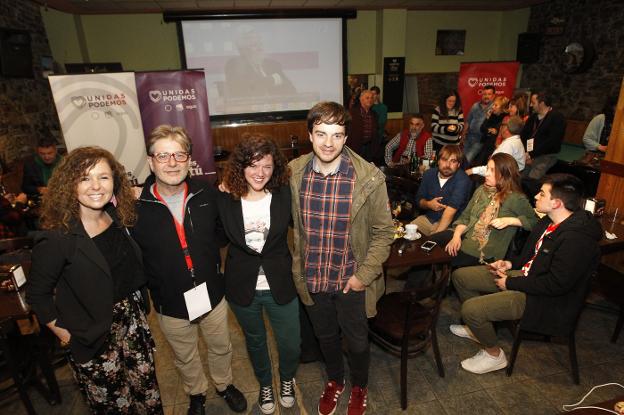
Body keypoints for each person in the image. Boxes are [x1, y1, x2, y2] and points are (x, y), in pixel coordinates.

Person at [27, 147, 162, 414]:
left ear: (114, 181)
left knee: (148, 397)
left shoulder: (116, 218)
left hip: (132, 325)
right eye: (85, 178)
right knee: (115, 407)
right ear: (69, 184)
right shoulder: (58, 237)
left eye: (103, 177)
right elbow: (38, 295)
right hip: (92, 335)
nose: (95, 186)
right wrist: (65, 334)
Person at [131, 125, 247, 415]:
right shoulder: (134, 206)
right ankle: (196, 393)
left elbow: (222, 234)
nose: (172, 162)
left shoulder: (207, 194)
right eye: (163, 155)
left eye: (179, 154)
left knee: (221, 346)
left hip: (211, 293)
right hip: (169, 301)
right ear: (150, 161)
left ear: (189, 159)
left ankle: (224, 384)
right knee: (184, 356)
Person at [289, 101, 394, 415]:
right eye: (321, 133)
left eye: (336, 135)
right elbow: (257, 187)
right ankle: (335, 380)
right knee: (326, 339)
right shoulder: (294, 173)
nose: (328, 143)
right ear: (309, 135)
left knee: (358, 343)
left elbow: (384, 232)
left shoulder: (368, 178)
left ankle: (359, 385)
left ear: (347, 137)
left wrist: (363, 275)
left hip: (350, 280)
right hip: (312, 279)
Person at [450, 174, 601, 374]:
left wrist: (511, 283)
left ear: (556, 203)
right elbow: (529, 257)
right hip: (527, 277)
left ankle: (493, 354)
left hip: (543, 298)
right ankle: (479, 329)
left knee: (471, 309)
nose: (536, 197)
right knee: (461, 277)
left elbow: (555, 284)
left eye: (541, 193)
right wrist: (508, 263)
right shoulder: (548, 221)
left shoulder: (576, 239)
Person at [217, 135, 299, 414]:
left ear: (274, 167)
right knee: (255, 342)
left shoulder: (284, 193)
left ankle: (287, 379)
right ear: (240, 167)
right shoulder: (225, 198)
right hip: (243, 288)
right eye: (253, 165)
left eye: (266, 166)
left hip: (281, 283)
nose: (260, 173)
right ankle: (265, 383)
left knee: (290, 342)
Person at [445, 153, 537, 267]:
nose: (486, 173)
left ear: (505, 175)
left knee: (442, 259)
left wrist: (512, 221)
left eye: (492, 170)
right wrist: (456, 236)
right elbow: (465, 217)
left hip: (482, 250)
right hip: (464, 234)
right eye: (487, 168)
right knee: (431, 243)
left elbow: (535, 222)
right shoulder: (481, 189)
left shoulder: (515, 198)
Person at [413, 145, 471, 236]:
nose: (447, 165)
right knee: (406, 233)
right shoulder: (429, 174)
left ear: (458, 165)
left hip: (450, 226)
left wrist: (434, 237)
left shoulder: (463, 180)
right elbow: (418, 200)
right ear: (438, 161)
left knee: (432, 245)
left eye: (453, 161)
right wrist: (428, 204)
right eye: (444, 160)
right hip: (428, 219)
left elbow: (451, 211)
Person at [224, 28, 296, 99]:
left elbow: (291, 90)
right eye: (254, 45)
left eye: (260, 44)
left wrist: (261, 83)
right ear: (243, 50)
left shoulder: (272, 64)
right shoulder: (234, 65)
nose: (260, 48)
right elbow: (242, 91)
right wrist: (273, 80)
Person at [520, 92, 566, 183]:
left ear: (542, 103)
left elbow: (552, 141)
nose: (530, 105)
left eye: (533, 103)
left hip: (545, 157)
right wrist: (526, 153)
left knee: (532, 181)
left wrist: (532, 155)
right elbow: (524, 135)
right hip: (528, 155)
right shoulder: (532, 117)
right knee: (519, 179)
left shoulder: (557, 118)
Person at [473, 95, 509, 166]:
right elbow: (482, 128)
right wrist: (487, 118)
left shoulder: (505, 118)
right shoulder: (492, 115)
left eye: (496, 105)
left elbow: (498, 132)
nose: (493, 107)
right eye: (493, 105)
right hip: (486, 143)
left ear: (502, 107)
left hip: (495, 147)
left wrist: (494, 131)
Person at [464, 85, 495, 163]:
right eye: (484, 94)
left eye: (489, 94)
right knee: (461, 159)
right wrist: (463, 136)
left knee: (467, 160)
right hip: (469, 137)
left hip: (480, 140)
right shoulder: (475, 106)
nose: (486, 96)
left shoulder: (494, 108)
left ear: (493, 96)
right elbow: (468, 121)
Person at [349, 89, 379, 162]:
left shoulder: (374, 114)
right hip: (355, 147)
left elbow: (376, 132)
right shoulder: (352, 113)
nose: (370, 100)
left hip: (369, 148)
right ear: (361, 99)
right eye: (367, 98)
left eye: (371, 98)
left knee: (367, 169)